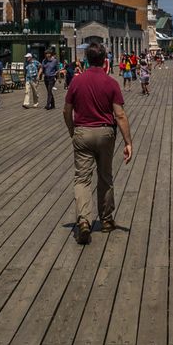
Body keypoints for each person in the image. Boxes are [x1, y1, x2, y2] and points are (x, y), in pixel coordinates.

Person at [62, 42, 133, 243]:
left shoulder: (77, 82)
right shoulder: (111, 83)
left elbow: (66, 111)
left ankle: (84, 220)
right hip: (105, 133)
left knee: (82, 179)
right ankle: (107, 220)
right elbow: (119, 115)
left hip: (82, 132)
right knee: (105, 176)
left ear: (87, 59)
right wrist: (128, 141)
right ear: (104, 60)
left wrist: (72, 130)